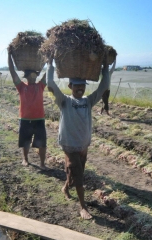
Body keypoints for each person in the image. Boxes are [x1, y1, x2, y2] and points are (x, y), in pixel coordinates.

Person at [47, 57, 110, 219]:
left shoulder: (88, 101)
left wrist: (104, 68)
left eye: (82, 86)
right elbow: (51, 85)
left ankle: (66, 188)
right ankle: (83, 207)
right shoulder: (65, 101)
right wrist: (50, 64)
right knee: (79, 175)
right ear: (70, 86)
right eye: (77, 86)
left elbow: (103, 86)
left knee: (76, 173)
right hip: (69, 144)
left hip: (83, 144)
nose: (80, 88)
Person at [8, 47, 47, 169]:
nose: (33, 77)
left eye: (35, 75)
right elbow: (12, 72)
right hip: (25, 119)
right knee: (25, 141)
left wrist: (49, 59)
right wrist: (9, 56)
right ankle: (25, 159)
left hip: (39, 119)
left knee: (42, 143)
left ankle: (42, 163)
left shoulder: (40, 86)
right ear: (26, 76)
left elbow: (48, 74)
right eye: (30, 75)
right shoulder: (21, 86)